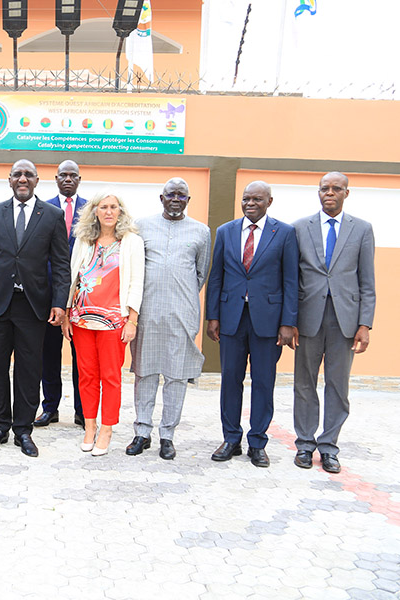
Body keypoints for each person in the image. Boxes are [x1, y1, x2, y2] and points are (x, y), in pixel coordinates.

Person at [0, 159, 70, 458]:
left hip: (33, 306)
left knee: (29, 370)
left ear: (37, 180)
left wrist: (59, 303)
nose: (22, 179)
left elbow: (61, 264)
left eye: (28, 175)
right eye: (17, 175)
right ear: (9, 180)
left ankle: (23, 430)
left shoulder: (52, 215)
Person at [206, 181, 299, 468]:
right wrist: (213, 316)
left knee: (263, 383)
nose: (250, 203)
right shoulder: (226, 231)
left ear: (269, 201)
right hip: (232, 319)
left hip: (268, 322)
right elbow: (216, 276)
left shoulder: (284, 233)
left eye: (257, 199)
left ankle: (257, 442)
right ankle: (231, 438)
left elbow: (291, 280)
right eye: (246, 199)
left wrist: (288, 323)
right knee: (230, 381)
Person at [292, 172, 375, 474]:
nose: (330, 193)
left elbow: (367, 281)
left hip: (345, 321)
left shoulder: (362, 230)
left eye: (336, 189)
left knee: (338, 386)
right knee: (304, 384)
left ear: (346, 194)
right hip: (307, 319)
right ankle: (304, 444)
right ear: (318, 193)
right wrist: (289, 321)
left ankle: (328, 447)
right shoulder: (300, 228)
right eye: (324, 189)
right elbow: (292, 279)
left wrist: (365, 323)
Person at [128, 178, 211, 460]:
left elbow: (200, 274)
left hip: (182, 314)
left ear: (188, 200)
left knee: (176, 376)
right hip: (147, 313)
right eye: (170, 194)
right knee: (145, 372)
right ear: (161, 197)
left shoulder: (201, 231)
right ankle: (142, 431)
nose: (176, 199)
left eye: (181, 195)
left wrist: (181, 296)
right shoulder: (142, 226)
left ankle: (167, 435)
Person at [62, 192, 144, 456]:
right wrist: (66, 313)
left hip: (114, 322)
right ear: (95, 211)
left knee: (110, 377)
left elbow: (136, 283)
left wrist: (132, 319)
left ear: (120, 211)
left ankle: (107, 429)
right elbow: (72, 276)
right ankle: (89, 426)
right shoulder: (84, 240)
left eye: (113, 207)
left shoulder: (131, 242)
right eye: (103, 207)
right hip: (82, 319)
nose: (109, 211)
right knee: (86, 376)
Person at [35, 160, 87, 429]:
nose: (68, 179)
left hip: (82, 294)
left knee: (82, 356)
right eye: (63, 176)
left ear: (79, 179)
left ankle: (82, 410)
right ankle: (50, 407)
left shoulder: (91, 209)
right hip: (48, 293)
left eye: (72, 175)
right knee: (49, 354)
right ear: (55, 179)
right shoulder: (42, 208)